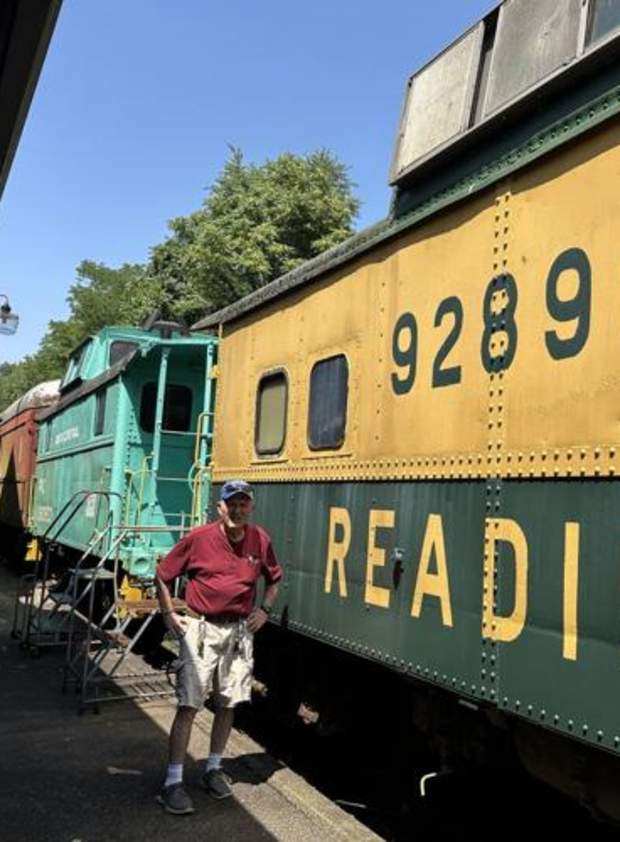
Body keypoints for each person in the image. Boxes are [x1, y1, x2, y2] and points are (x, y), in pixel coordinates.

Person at [155, 479, 282, 815]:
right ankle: (172, 782)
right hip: (201, 629)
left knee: (227, 703)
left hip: (238, 632)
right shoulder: (199, 538)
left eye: (244, 503)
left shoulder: (260, 539)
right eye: (232, 503)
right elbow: (163, 574)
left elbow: (275, 578)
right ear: (220, 507)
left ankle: (212, 769)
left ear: (250, 507)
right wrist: (169, 613)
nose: (238, 509)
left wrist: (264, 610)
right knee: (189, 705)